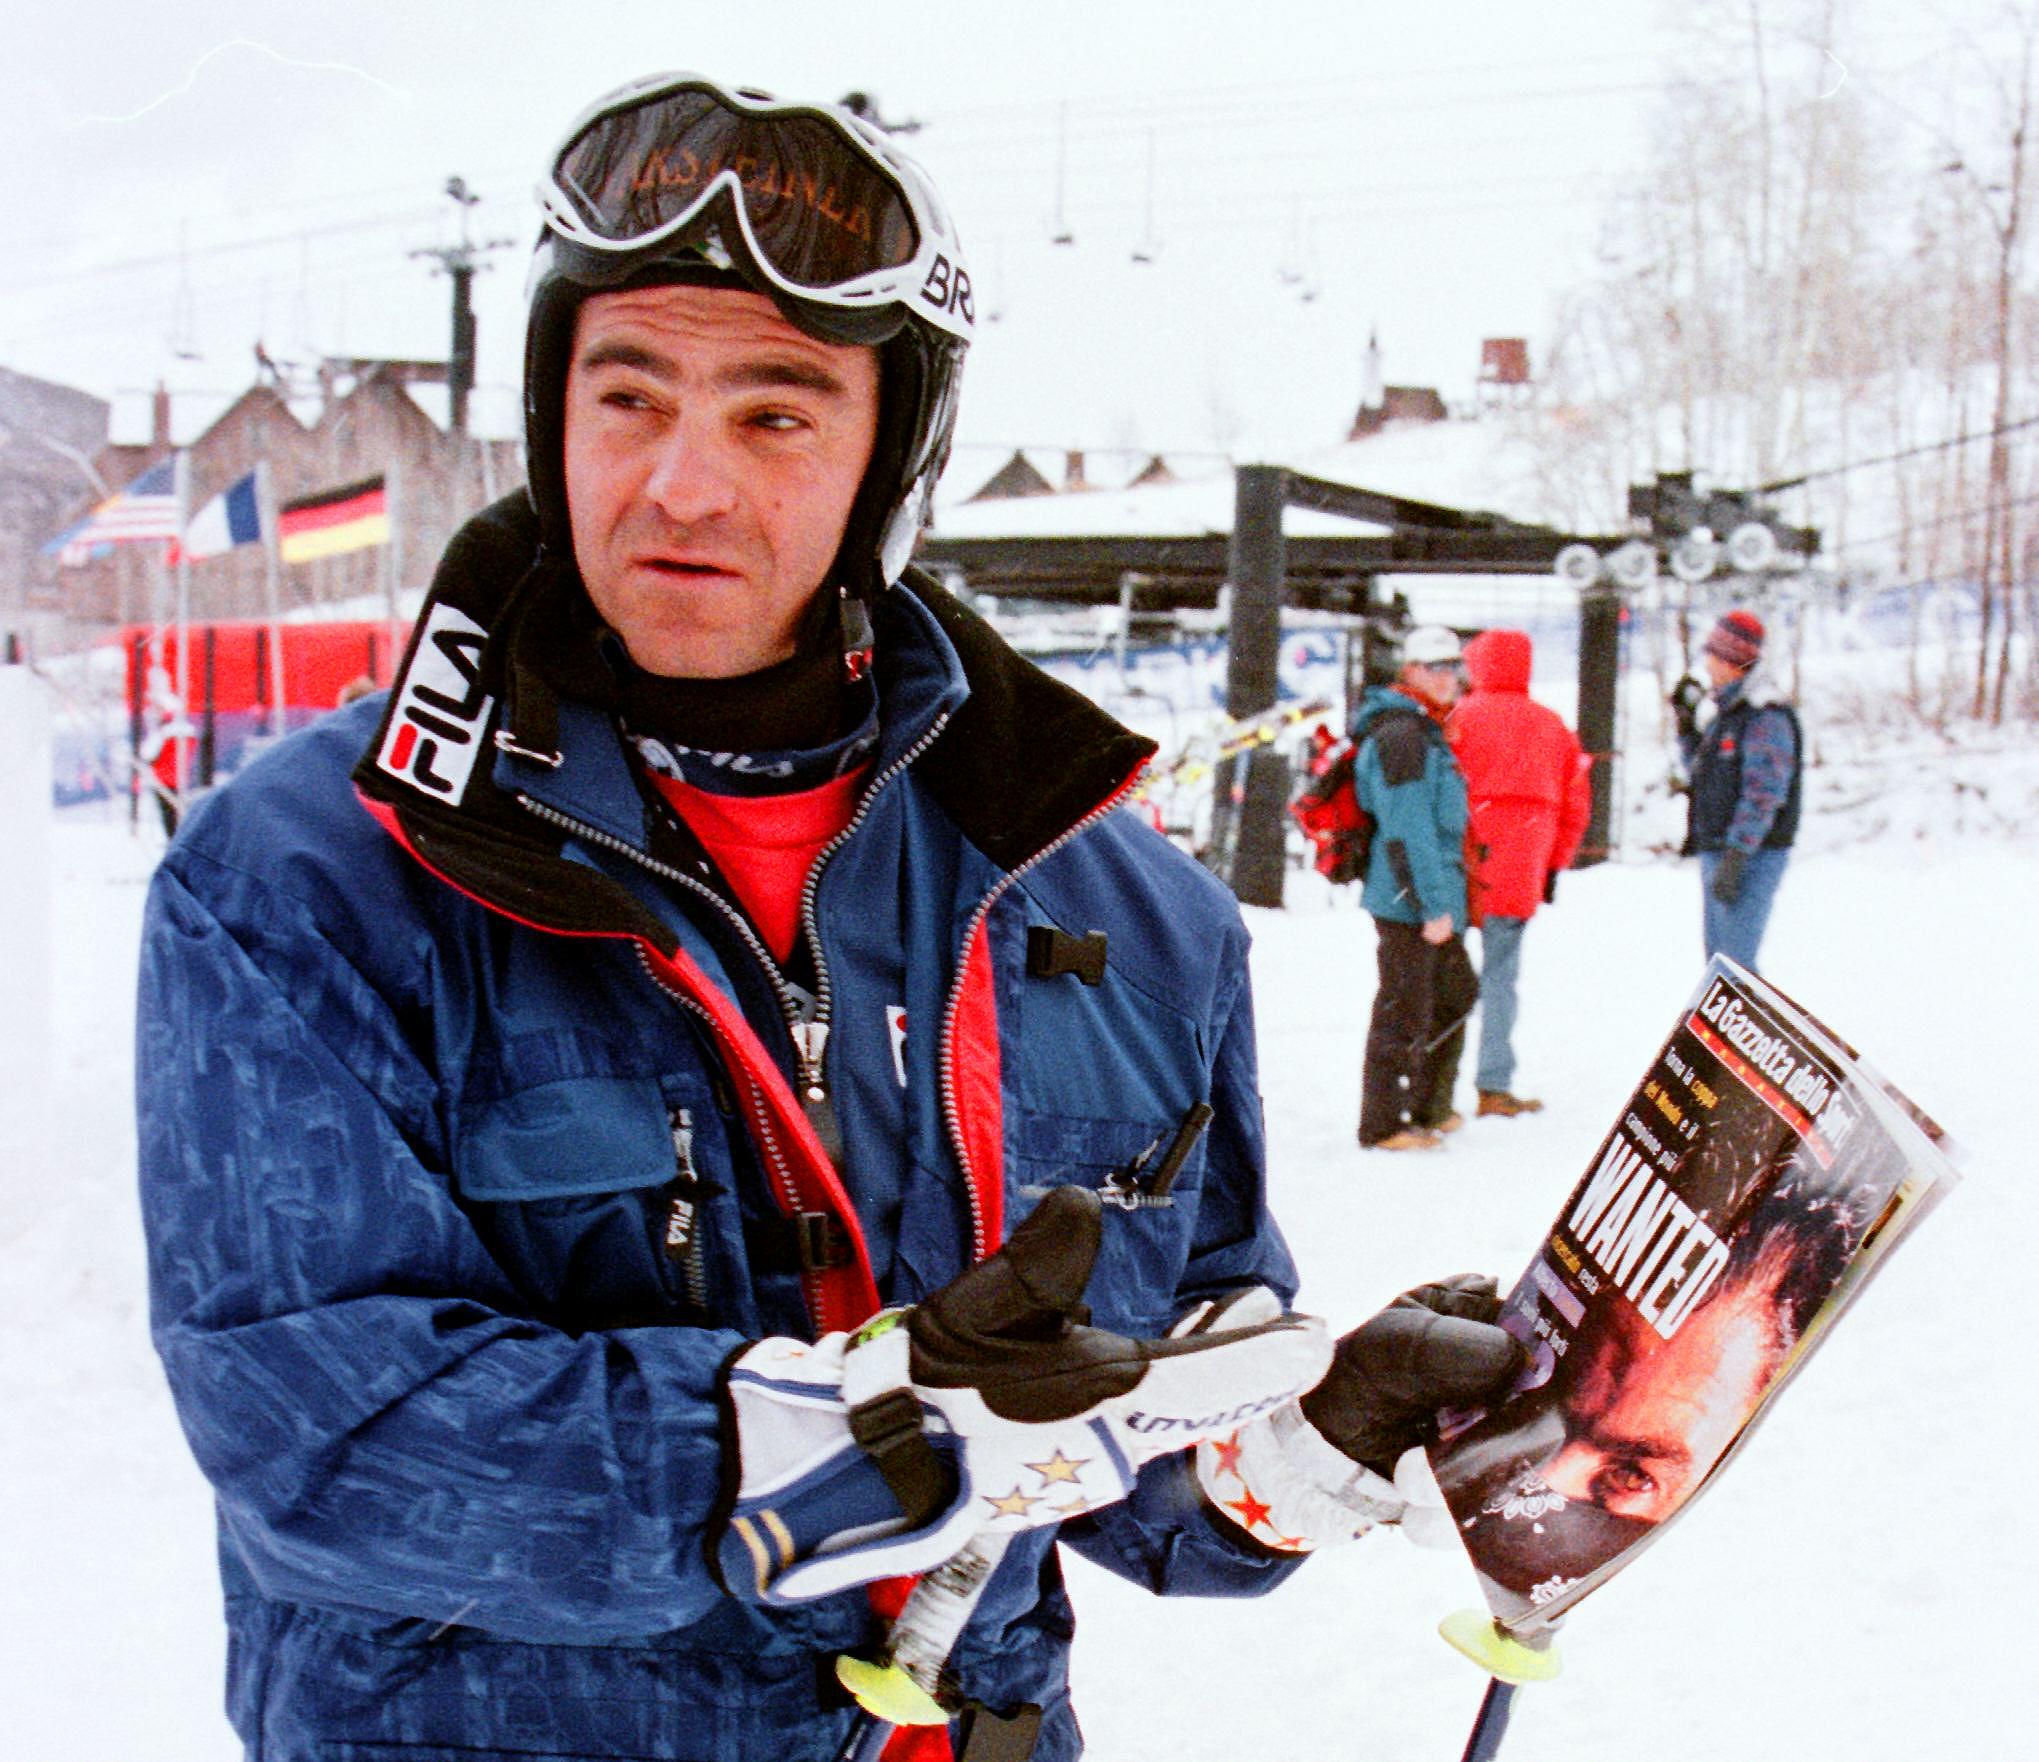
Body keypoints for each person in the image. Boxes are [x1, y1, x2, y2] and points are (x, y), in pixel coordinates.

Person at [135, 75, 1521, 1762]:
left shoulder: (1117, 908)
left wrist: (1306, 1436)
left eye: (775, 414)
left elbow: (1136, 1463)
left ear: (891, 456)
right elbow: (324, 1439)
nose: (681, 486)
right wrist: (855, 1433)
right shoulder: (315, 876)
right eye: (626, 394)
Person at [1447, 629, 1592, 1118]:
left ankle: (1433, 1092)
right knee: (1501, 980)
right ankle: (1493, 1085)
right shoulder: (1553, 727)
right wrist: (1553, 864)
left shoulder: (1457, 719)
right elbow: (1576, 807)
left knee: (1443, 979)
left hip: (1460, 870)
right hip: (1519, 872)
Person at [1350, 624, 1479, 1151]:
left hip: (1431, 893)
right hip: (1411, 898)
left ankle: (1428, 1106)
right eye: (1435, 667)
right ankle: (1384, 1124)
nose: (1448, 678)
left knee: (1452, 994)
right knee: (1404, 1007)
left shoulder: (1423, 729)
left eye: (1453, 667)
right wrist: (1430, 905)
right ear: (1410, 672)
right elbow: (1408, 829)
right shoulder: (1404, 736)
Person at [1673, 609, 1802, 973]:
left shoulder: (1764, 714)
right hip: (1720, 848)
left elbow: (1765, 791)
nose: (1707, 663)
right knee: (1719, 964)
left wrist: (1738, 853)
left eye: (1714, 654)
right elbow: (1702, 777)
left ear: (1733, 660)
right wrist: (1686, 726)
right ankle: (1714, 1029)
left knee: (1735, 967)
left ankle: (1747, 1028)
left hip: (1751, 855)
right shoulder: (1727, 715)